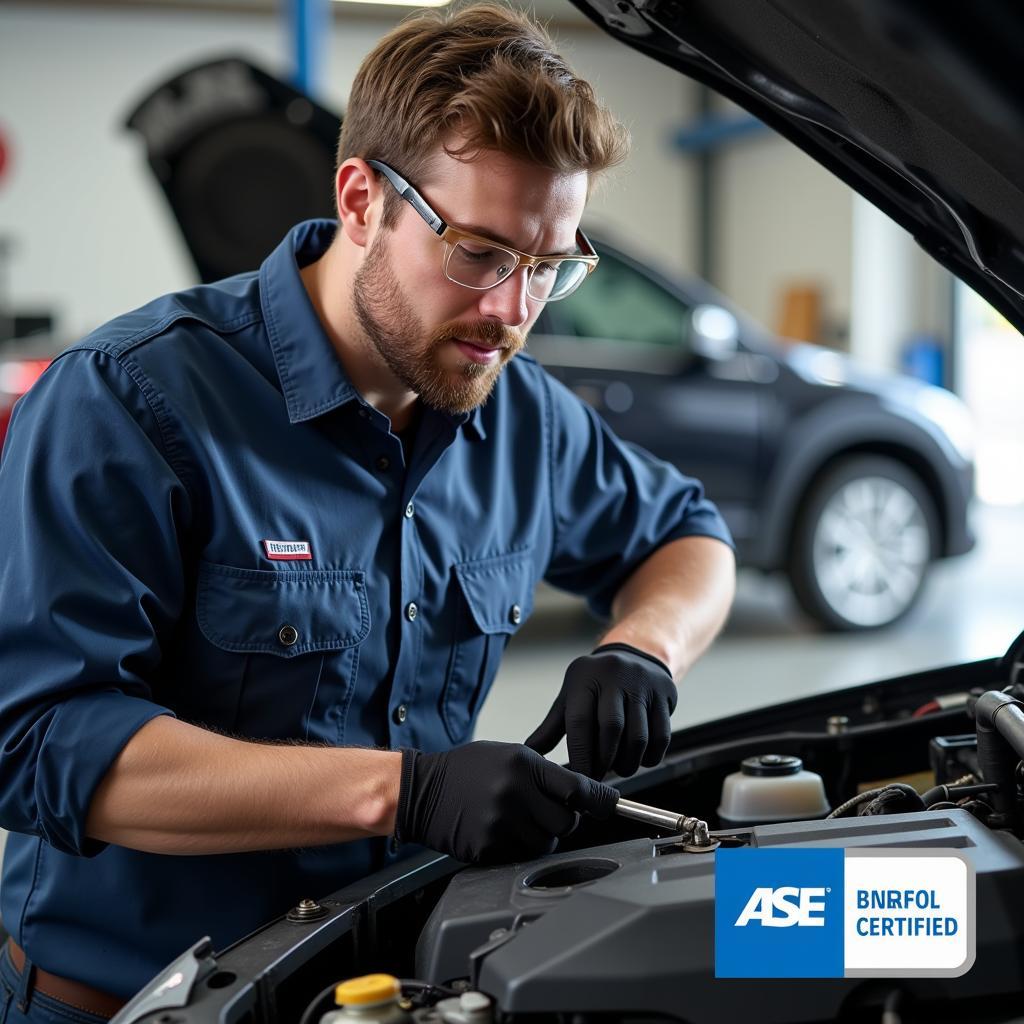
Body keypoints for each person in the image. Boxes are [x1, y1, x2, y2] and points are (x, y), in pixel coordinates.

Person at [0, 3, 735, 1018]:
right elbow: (43, 741)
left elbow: (688, 533)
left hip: (384, 991)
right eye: (478, 252)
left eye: (548, 266)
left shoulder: (519, 415)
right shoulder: (129, 400)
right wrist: (406, 789)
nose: (511, 313)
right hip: (132, 1002)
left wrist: (645, 648)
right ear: (360, 200)